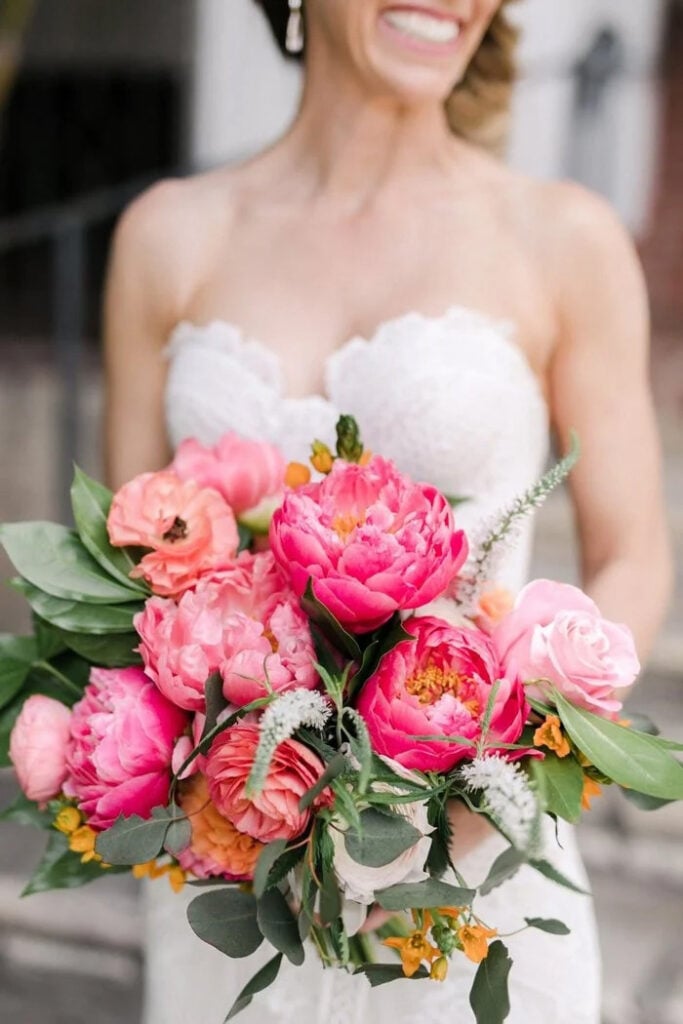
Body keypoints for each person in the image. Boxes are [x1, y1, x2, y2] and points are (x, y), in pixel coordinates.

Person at [103, 2, 672, 1022]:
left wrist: (473, 798)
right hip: (233, 886)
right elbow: (127, 582)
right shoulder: (167, 235)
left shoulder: (562, 238)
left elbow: (631, 555)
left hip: (470, 891)